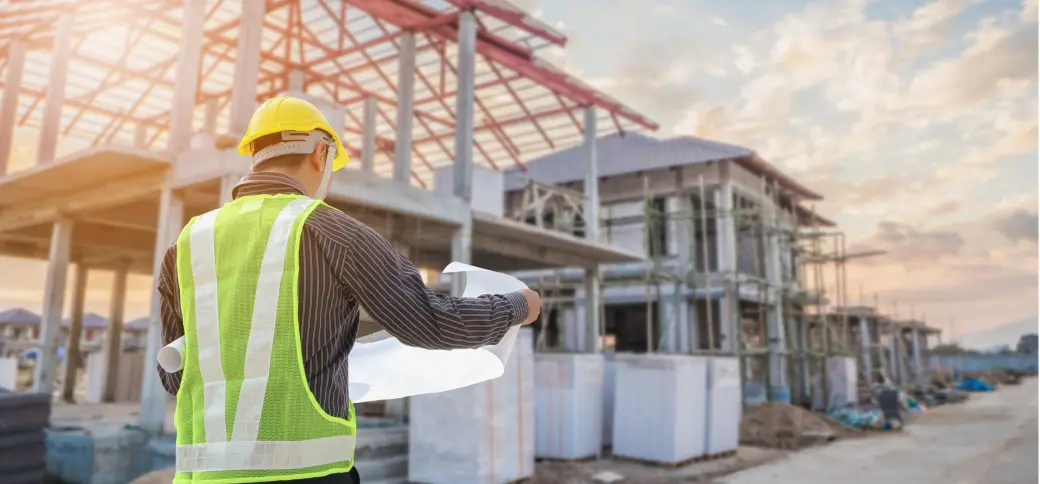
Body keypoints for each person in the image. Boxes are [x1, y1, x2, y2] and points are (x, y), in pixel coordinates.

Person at [156, 95, 542, 484]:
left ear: (254, 155)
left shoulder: (187, 245)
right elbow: (430, 322)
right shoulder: (336, 234)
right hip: (306, 476)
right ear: (320, 154)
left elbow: (174, 376)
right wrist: (516, 306)